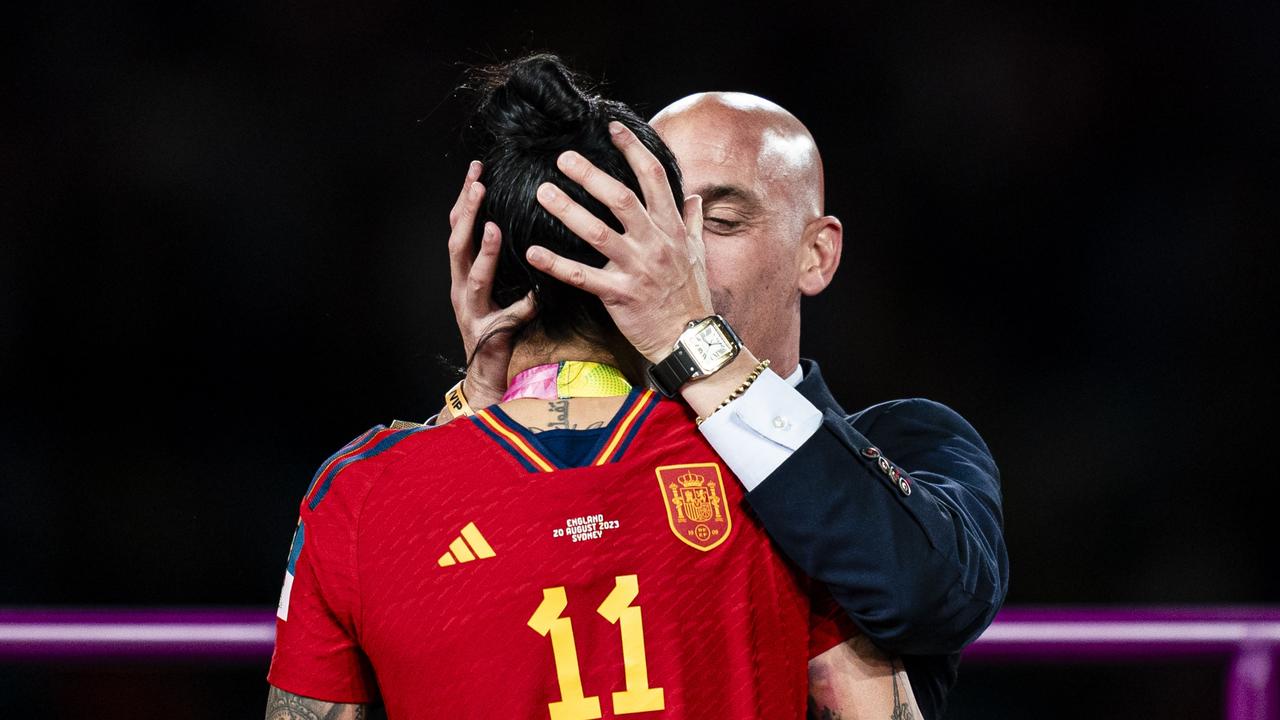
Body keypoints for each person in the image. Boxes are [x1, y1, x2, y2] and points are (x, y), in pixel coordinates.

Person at [266, 54, 921, 720]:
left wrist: (464, 409)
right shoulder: (775, 482)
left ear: (483, 263)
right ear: (668, 253)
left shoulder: (357, 497)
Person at [443, 91, 1009, 719]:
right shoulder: (564, 455)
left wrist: (692, 340)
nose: (676, 253)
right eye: (652, 219)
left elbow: (932, 597)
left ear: (815, 254)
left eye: (719, 222)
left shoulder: (913, 440)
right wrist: (491, 410)